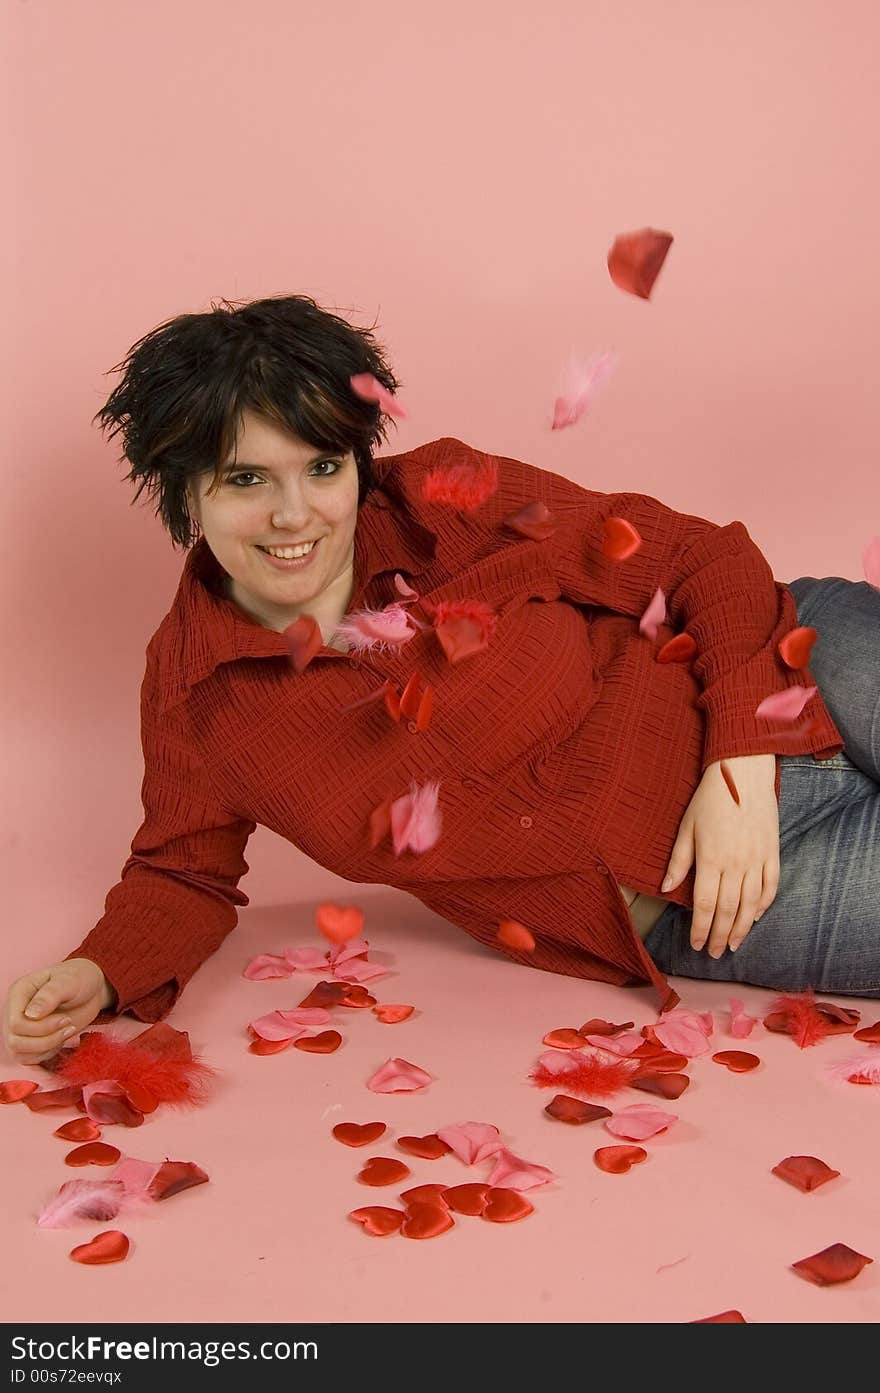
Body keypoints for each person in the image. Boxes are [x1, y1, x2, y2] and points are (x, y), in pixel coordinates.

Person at [4, 295, 877, 1067]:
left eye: (322, 466)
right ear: (185, 491)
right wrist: (100, 970)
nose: (295, 514)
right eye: (245, 479)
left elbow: (697, 555)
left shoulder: (446, 500)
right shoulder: (196, 697)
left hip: (799, 664)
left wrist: (741, 762)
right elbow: (182, 872)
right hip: (724, 899)